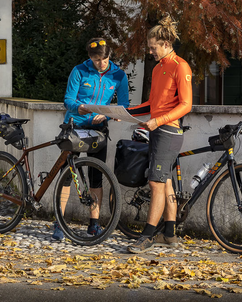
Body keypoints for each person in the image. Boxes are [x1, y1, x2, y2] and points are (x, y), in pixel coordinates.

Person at [126, 15, 193, 253]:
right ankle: (169, 234)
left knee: (155, 182)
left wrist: (158, 121)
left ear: (165, 44)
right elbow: (151, 104)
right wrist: (123, 112)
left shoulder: (180, 66)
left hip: (168, 131)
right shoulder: (157, 69)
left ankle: (147, 236)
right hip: (157, 129)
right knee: (164, 183)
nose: (150, 52)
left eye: (153, 48)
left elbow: (186, 105)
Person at [52, 37, 129, 241]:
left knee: (96, 176)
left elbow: (124, 105)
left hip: (98, 129)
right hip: (75, 126)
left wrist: (109, 115)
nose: (100, 64)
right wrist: (79, 107)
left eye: (103, 60)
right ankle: (59, 222)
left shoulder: (119, 75)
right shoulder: (79, 71)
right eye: (96, 61)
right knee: (67, 175)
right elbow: (68, 99)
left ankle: (94, 224)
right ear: (90, 57)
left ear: (109, 56)